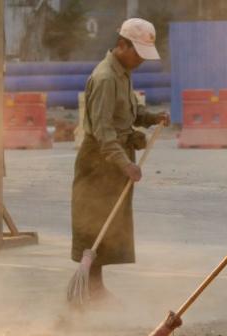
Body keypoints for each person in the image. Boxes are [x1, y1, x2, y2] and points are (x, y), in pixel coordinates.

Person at [72, 18, 169, 300]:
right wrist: (125, 163)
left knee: (108, 224)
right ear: (121, 45)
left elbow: (128, 111)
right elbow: (103, 132)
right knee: (94, 223)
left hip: (114, 159)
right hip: (98, 161)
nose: (140, 60)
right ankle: (90, 289)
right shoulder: (105, 78)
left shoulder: (123, 72)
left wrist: (152, 118)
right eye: (136, 53)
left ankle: (96, 286)